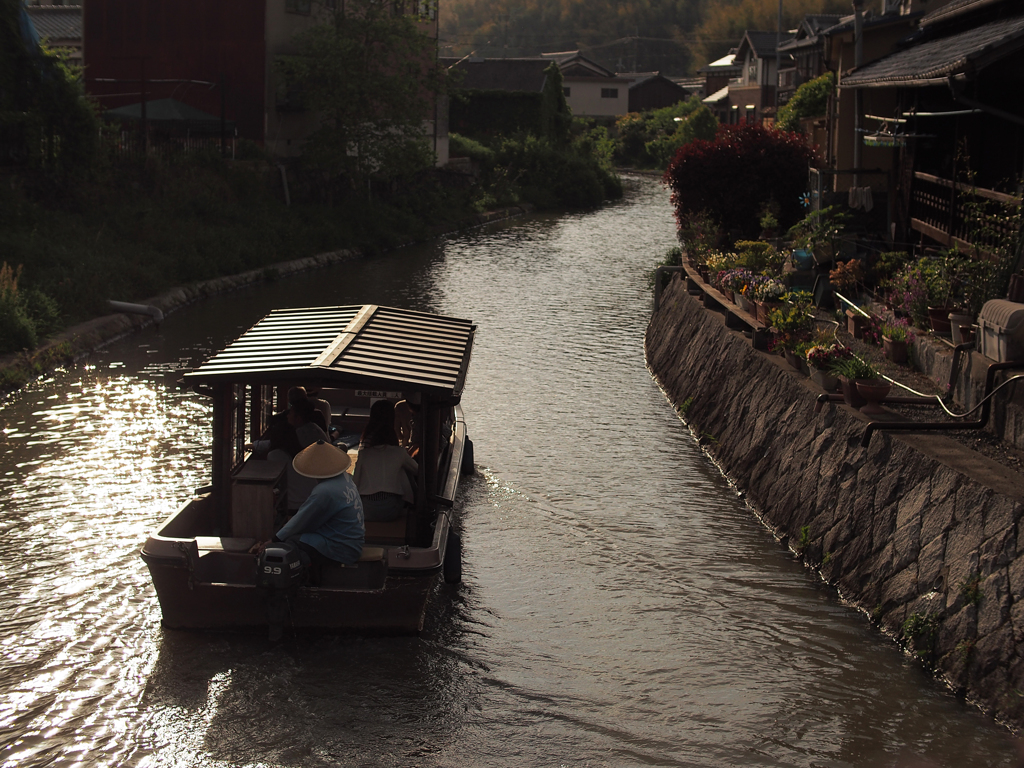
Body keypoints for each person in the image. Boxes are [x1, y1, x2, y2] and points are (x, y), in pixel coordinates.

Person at [255, 440, 364, 584]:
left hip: (340, 547)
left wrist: (274, 540)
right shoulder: (345, 478)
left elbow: (301, 520)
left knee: (289, 544)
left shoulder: (324, 491)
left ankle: (309, 582)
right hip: (352, 541)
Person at [353, 399, 418, 522]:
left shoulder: (364, 453)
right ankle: (414, 506)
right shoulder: (399, 452)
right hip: (391, 509)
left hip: (366, 509)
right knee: (403, 470)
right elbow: (417, 471)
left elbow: (355, 481)